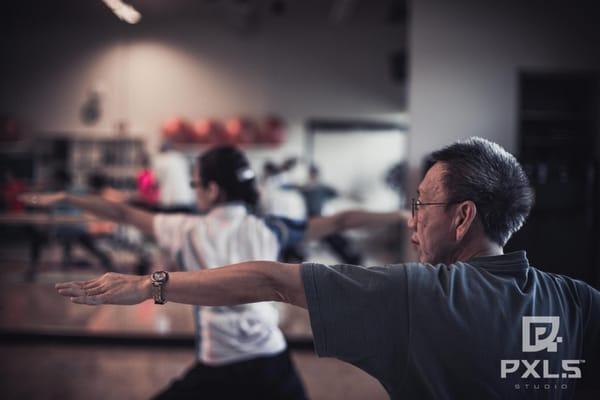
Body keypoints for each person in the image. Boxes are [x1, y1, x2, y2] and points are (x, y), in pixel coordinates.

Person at [52, 137, 599, 399]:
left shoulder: (415, 294)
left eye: (421, 205)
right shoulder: (576, 301)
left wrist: (149, 284)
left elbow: (270, 279)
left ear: (462, 218)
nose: (411, 221)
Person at [23, 145, 408, 399]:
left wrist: (67, 197)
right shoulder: (271, 227)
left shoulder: (185, 228)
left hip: (218, 364)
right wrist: (403, 214)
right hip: (271, 364)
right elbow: (341, 220)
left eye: (196, 185)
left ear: (214, 190)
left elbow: (122, 212)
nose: (193, 193)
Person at [153, 141, 196, 213]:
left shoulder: (160, 159)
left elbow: (156, 181)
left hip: (171, 202)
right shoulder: (181, 158)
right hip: (188, 199)